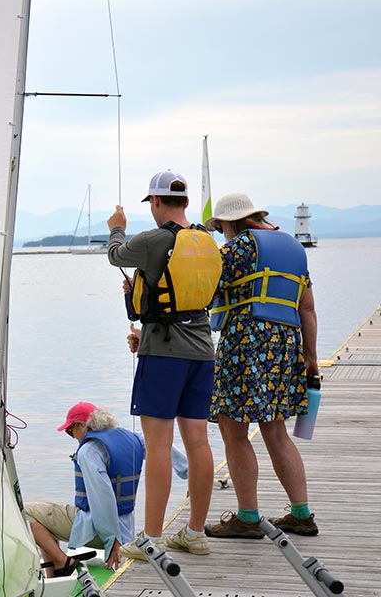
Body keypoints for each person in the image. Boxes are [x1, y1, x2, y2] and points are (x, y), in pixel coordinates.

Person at [107, 169, 219, 560]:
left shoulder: (153, 239)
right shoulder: (208, 240)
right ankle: (194, 532)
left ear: (156, 203)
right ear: (186, 203)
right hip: (203, 349)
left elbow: (115, 256)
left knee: (158, 444)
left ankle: (151, 538)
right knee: (200, 442)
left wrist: (118, 228)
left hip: (165, 353)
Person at [202, 193, 319, 538]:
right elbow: (307, 309)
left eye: (221, 227)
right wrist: (311, 358)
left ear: (228, 224)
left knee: (233, 430)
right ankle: (301, 514)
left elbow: (204, 290)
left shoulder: (238, 248)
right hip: (285, 346)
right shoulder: (294, 250)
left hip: (244, 343)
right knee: (276, 431)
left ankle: (248, 517)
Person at [24, 402, 144, 576]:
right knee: (46, 519)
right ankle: (56, 575)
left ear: (82, 425)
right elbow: (163, 447)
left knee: (26, 512)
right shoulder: (135, 438)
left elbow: (104, 499)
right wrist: (188, 472)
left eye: (70, 430)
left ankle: (63, 562)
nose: (72, 436)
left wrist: (112, 540)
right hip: (127, 531)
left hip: (99, 533)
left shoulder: (88, 451)